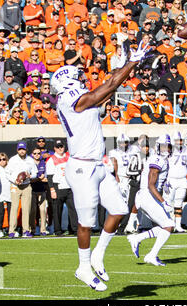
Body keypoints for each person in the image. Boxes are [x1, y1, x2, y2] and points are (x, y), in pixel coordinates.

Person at [50, 41, 149, 291]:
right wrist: (133, 62)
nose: (84, 78)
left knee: (118, 209)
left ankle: (97, 255)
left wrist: (127, 62)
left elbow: (110, 85)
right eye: (79, 75)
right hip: (82, 168)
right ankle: (83, 267)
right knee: (86, 223)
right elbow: (109, 86)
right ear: (68, 81)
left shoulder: (78, 96)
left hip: (99, 164)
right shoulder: (68, 99)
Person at [126, 134, 175, 266]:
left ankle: (137, 238)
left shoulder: (158, 159)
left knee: (163, 226)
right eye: (164, 146)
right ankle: (151, 255)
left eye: (168, 146)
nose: (166, 149)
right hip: (148, 195)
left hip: (146, 196)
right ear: (158, 147)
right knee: (169, 225)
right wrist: (163, 201)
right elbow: (150, 184)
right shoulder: (158, 160)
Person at [5, 141, 38, 238]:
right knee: (14, 208)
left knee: (26, 208)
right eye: (20, 149)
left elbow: (35, 173)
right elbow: (7, 173)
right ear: (17, 150)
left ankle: (26, 230)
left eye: (23, 149)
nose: (22, 151)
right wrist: (14, 180)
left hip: (26, 185)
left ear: (26, 150)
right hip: (15, 185)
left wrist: (30, 175)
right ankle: (12, 231)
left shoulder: (30, 160)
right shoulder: (13, 160)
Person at [163, 131, 187, 233]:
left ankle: (178, 225)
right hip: (170, 179)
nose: (178, 142)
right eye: (176, 140)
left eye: (180, 140)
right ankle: (169, 224)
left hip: (182, 180)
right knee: (168, 203)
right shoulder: (169, 150)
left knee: (179, 203)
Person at [46, 139, 78, 236]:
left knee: (73, 209)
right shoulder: (52, 160)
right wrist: (52, 189)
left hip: (69, 186)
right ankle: (58, 230)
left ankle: (74, 229)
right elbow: (50, 177)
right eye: (58, 147)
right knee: (57, 210)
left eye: (61, 146)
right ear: (55, 148)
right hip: (58, 186)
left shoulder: (69, 157)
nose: (60, 149)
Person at [30, 147, 48, 236]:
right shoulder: (30, 163)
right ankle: (32, 229)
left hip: (42, 190)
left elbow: (46, 178)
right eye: (35, 153)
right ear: (32, 154)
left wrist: (39, 179)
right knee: (33, 211)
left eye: (38, 153)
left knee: (43, 210)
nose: (37, 155)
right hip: (32, 190)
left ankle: (43, 230)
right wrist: (38, 179)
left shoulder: (43, 163)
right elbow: (29, 178)